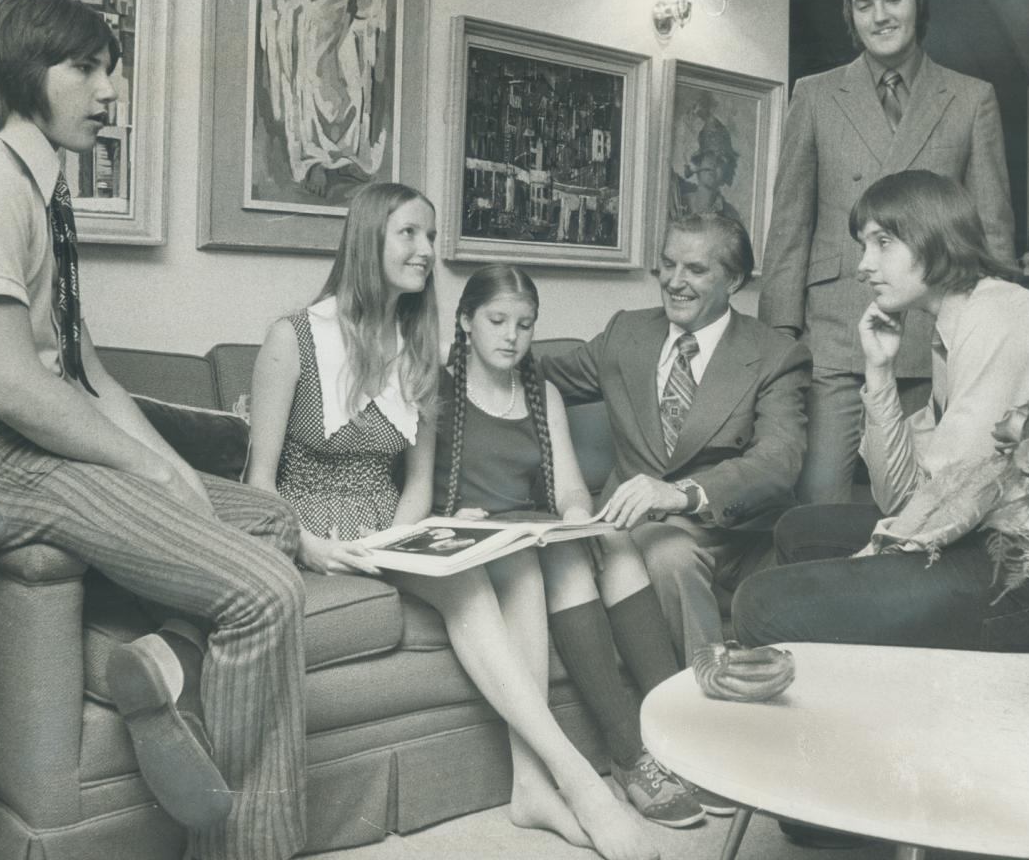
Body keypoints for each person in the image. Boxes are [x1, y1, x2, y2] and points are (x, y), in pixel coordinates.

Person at [0, 0, 307, 860]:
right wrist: (149, 477)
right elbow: (11, 387)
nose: (109, 89)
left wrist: (174, 471)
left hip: (15, 436)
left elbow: (85, 375)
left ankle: (169, 664)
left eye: (110, 68)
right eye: (87, 68)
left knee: (270, 518)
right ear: (22, 75)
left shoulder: (38, 190)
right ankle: (250, 850)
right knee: (266, 591)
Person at [245, 184, 655, 860]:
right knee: (472, 585)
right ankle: (579, 780)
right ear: (369, 237)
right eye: (410, 233)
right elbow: (259, 484)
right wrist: (312, 546)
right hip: (306, 529)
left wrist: (403, 537)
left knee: (516, 560)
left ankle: (532, 786)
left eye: (431, 236)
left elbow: (416, 482)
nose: (428, 250)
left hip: (390, 527)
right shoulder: (293, 337)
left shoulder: (415, 348)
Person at [733, 171, 1029, 654]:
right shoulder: (955, 323)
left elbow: (948, 500)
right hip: (985, 544)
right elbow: (900, 497)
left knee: (760, 603)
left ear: (934, 238)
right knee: (800, 530)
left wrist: (869, 560)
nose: (864, 266)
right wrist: (879, 372)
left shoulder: (998, 319)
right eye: (864, 245)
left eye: (883, 242)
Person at [437, 264, 707, 826]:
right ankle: (628, 751)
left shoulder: (541, 391)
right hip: (481, 541)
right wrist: (451, 515)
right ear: (464, 321)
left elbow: (569, 487)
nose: (512, 336)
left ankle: (676, 736)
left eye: (526, 325)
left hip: (537, 529)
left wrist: (581, 519)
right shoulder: (436, 390)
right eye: (497, 321)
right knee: (567, 567)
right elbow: (407, 487)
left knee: (615, 545)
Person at [759, 0, 1015, 508]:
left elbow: (993, 229)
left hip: (935, 335)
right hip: (833, 329)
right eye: (864, 4)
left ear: (918, 6)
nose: (880, 15)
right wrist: (779, 335)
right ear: (850, 18)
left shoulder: (970, 99)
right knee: (821, 495)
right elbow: (789, 223)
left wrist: (999, 326)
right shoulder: (817, 94)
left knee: (925, 499)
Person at [540, 213, 811, 666]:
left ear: (735, 279)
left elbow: (778, 460)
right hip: (652, 533)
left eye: (696, 270)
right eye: (668, 264)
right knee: (669, 556)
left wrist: (682, 495)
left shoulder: (775, 354)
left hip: (744, 530)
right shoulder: (625, 334)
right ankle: (709, 698)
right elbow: (538, 376)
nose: (674, 281)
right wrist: (446, 357)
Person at [259, 0, 388, 197]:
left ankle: (345, 157)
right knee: (312, 93)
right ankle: (315, 160)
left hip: (343, 24)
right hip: (314, 27)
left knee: (352, 92)